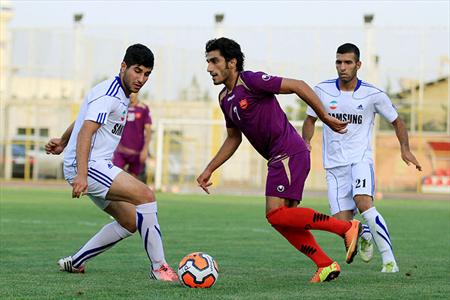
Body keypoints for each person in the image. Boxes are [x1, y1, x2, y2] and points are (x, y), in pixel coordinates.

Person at [197, 37, 362, 283]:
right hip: (280, 158)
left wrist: (325, 118)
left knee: (275, 215)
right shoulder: (224, 99)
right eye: (208, 61)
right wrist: (210, 169)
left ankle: (346, 228)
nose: (209, 68)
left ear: (231, 62)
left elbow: (298, 85)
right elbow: (233, 138)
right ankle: (325, 264)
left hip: (289, 153)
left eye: (214, 61)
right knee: (284, 221)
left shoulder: (250, 81)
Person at [45, 44, 178, 281]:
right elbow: (86, 131)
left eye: (147, 74)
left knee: (129, 222)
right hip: (89, 165)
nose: (141, 79)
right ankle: (160, 268)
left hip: (90, 164)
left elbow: (84, 117)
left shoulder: (117, 92)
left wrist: (64, 141)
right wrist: (82, 175)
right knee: (146, 196)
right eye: (137, 71)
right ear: (123, 66)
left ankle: (76, 263)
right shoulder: (110, 94)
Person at [302, 43, 422, 273]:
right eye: (338, 62)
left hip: (360, 160)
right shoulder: (321, 90)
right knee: (342, 223)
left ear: (358, 65)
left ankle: (389, 261)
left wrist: (404, 149)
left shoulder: (373, 94)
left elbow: (397, 121)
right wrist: (306, 143)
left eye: (348, 62)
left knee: (364, 202)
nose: (342, 67)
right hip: (334, 166)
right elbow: (309, 120)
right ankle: (365, 232)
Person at [112, 92, 152, 183]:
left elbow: (148, 131)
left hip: (137, 153)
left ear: (138, 93)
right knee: (114, 177)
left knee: (134, 181)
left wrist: (145, 150)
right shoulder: (121, 106)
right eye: (129, 92)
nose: (131, 95)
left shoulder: (143, 108)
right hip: (120, 151)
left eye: (133, 93)